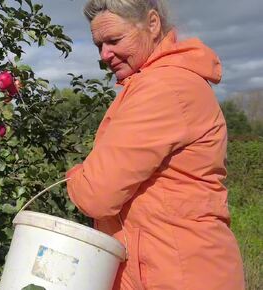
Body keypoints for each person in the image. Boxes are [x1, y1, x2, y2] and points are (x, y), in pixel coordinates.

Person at [65, 0, 245, 289]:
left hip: (178, 274)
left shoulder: (162, 88)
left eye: (114, 40)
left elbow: (95, 194)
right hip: (172, 266)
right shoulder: (160, 83)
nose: (105, 54)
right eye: (99, 45)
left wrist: (76, 175)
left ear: (152, 23)